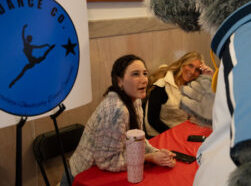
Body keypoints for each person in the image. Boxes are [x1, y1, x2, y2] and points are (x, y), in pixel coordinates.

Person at [61, 54, 176, 185]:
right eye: (135, 74)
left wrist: (158, 153)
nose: (144, 79)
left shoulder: (135, 100)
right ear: (119, 81)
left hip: (102, 173)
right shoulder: (116, 110)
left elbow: (138, 138)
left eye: (145, 73)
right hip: (82, 178)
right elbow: (108, 161)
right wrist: (149, 157)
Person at [144, 51, 213, 138]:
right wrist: (174, 135)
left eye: (197, 70)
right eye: (190, 65)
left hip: (181, 131)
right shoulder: (162, 85)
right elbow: (152, 120)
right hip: (159, 135)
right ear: (182, 64)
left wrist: (208, 78)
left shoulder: (192, 86)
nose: (192, 72)